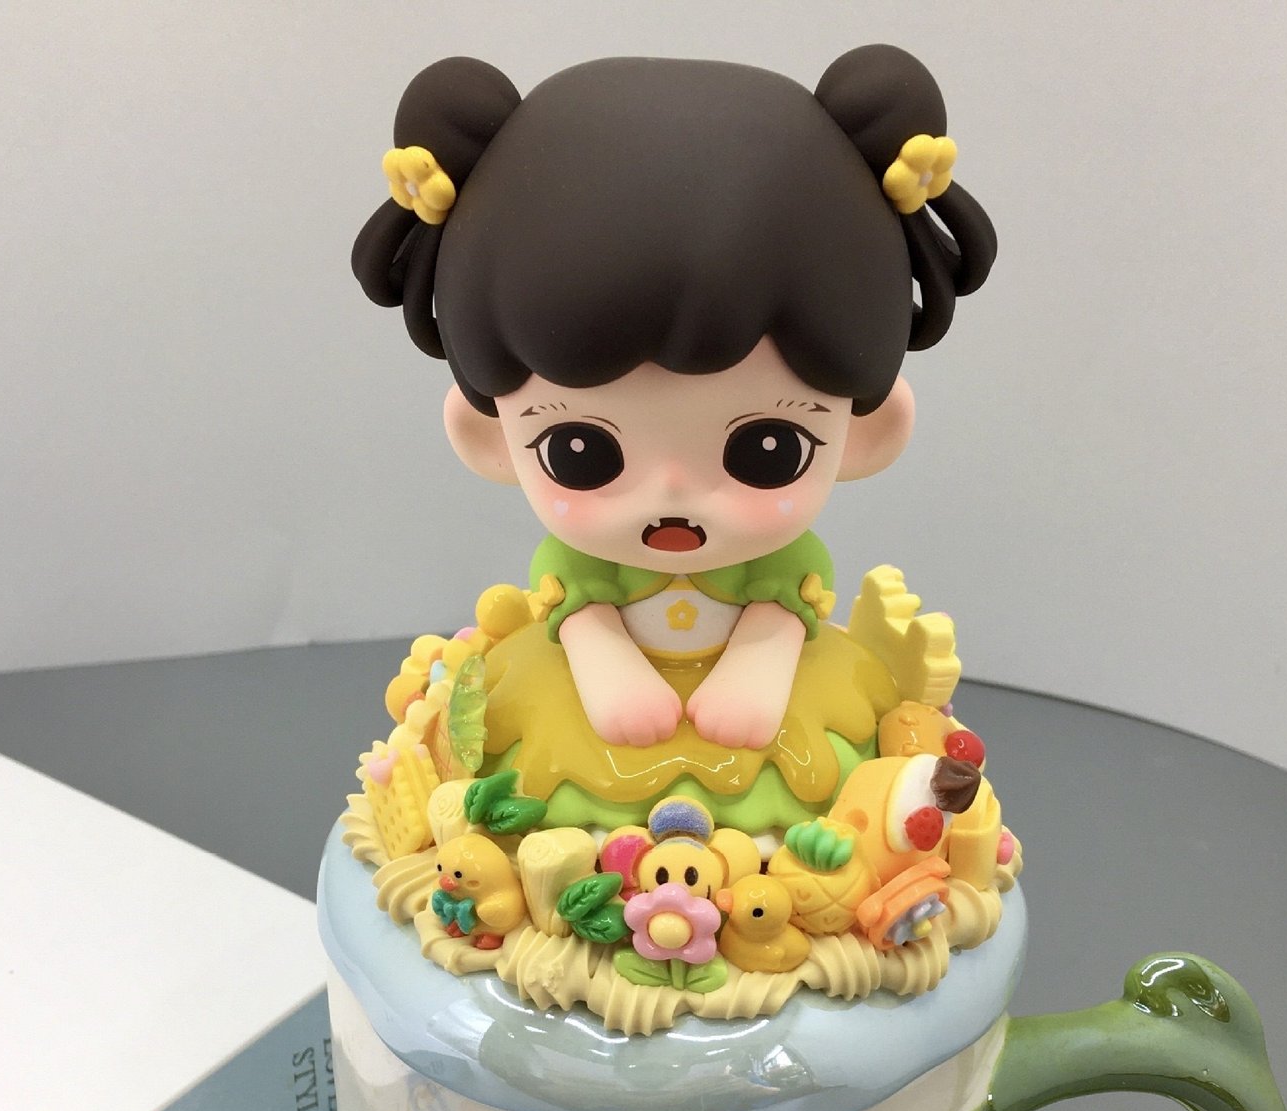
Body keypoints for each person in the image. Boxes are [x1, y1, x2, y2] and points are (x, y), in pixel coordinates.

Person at [352, 46, 995, 828]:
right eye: (580, 452)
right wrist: (607, 663)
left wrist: (758, 665)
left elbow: (782, 608)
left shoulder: (782, 574)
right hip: (571, 717)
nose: (673, 497)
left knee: (816, 771)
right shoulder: (577, 579)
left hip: (789, 723)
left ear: (869, 435)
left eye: (769, 450)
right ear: (487, 439)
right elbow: (579, 613)